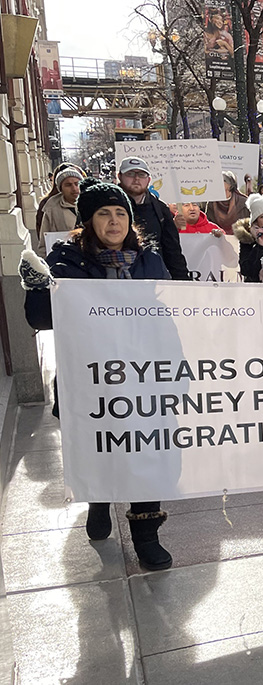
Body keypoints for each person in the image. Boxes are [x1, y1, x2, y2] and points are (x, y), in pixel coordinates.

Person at [19, 178, 174, 572]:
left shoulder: (148, 259)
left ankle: (146, 534)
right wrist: (38, 290)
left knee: (147, 453)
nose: (114, 221)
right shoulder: (65, 262)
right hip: (90, 378)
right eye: (103, 214)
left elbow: (170, 313)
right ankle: (99, 500)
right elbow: (40, 319)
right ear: (87, 222)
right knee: (100, 449)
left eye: (120, 212)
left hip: (142, 375)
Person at [118, 157, 191, 281]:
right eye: (130, 174)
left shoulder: (160, 209)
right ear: (119, 176)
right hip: (115, 280)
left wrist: (183, 283)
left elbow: (172, 251)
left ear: (149, 180)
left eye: (141, 175)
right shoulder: (106, 206)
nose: (136, 179)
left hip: (153, 281)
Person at [38, 166, 83, 250]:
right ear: (61, 188)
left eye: (77, 184)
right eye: (68, 185)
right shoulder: (51, 208)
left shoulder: (92, 205)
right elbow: (44, 243)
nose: (74, 188)